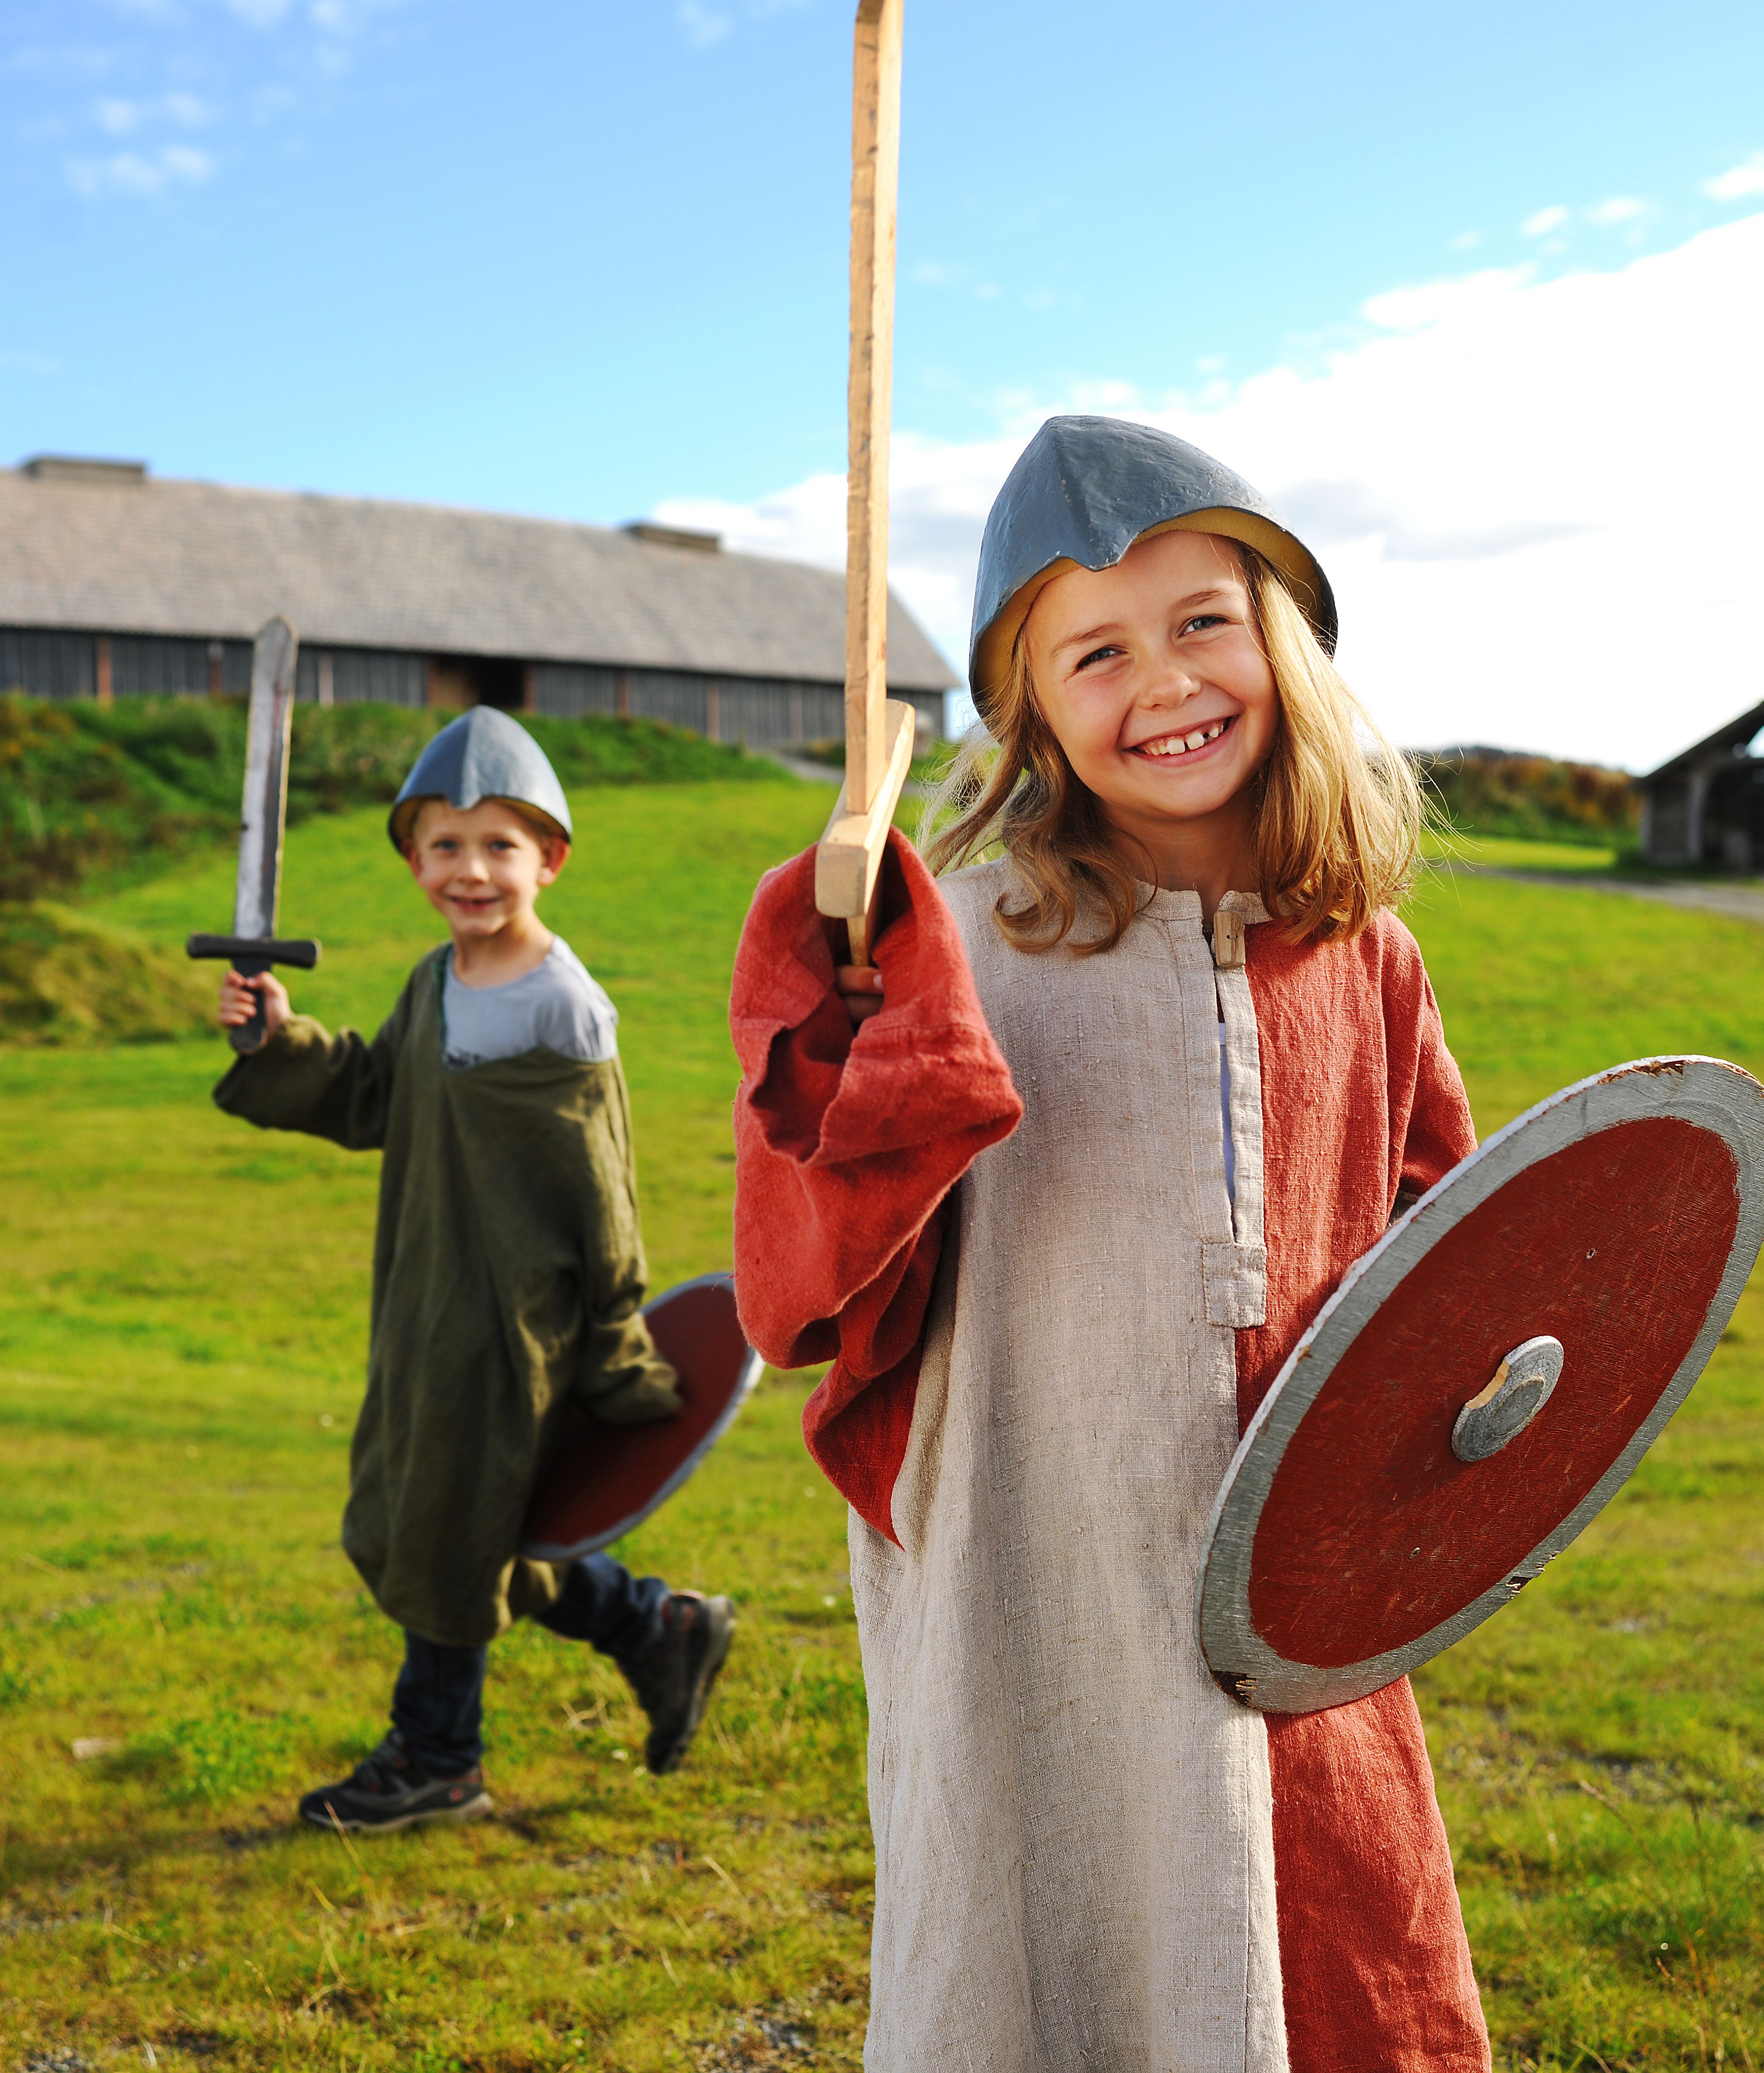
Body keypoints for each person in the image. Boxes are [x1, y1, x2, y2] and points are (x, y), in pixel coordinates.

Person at [728, 417, 1493, 2068]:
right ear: (1035, 714)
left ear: (1279, 637)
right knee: (1048, 1954)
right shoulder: (967, 952)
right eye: (1097, 650)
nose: (1165, 681)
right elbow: (814, 1282)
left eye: (1203, 621)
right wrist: (838, 1022)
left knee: (1322, 1950)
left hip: (1289, 1581)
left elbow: (1462, 1264)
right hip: (1038, 1566)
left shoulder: (1369, 961)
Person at [216, 706, 736, 1834]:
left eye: (499, 844)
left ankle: (438, 1757)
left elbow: (603, 1195)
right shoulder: (435, 982)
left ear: (549, 858)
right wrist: (278, 1039)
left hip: (516, 1325)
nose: (471, 870)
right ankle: (658, 1626)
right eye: (444, 845)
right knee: (432, 1520)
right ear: (413, 862)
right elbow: (374, 1098)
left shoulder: (564, 1008)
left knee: (450, 1531)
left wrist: (616, 1339)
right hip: (423, 1300)